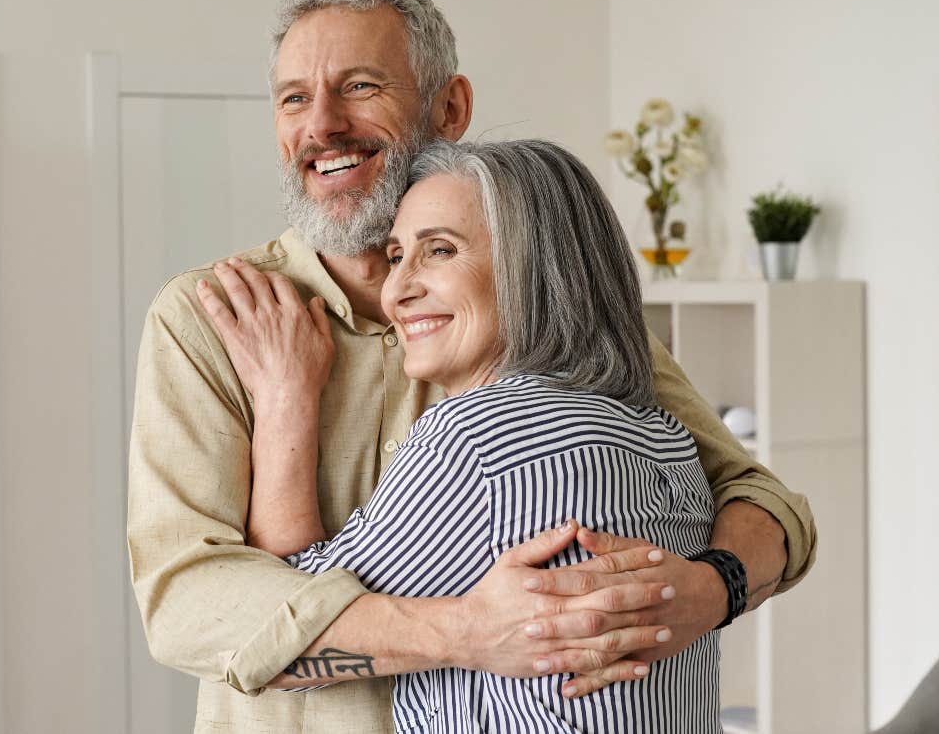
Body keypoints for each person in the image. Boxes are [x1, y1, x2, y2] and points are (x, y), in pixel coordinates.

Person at [127, 0, 816, 732]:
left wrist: (709, 590)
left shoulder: (549, 316)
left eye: (360, 86)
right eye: (293, 98)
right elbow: (187, 604)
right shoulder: (208, 319)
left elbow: (765, 502)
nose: (322, 125)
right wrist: (464, 631)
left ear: (449, 108)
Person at [199, 138, 723, 733]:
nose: (398, 291)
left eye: (440, 251)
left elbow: (290, 624)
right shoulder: (666, 436)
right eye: (397, 257)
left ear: (537, 268)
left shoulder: (479, 436)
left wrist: (284, 397)